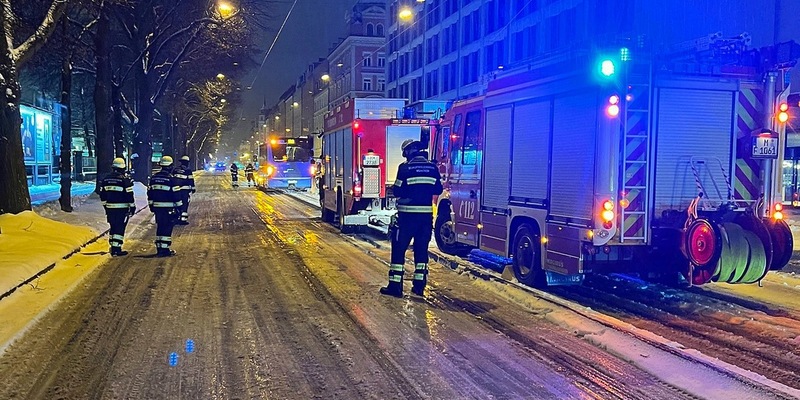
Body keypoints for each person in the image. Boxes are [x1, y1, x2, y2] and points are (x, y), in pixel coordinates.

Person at [381, 140, 443, 298]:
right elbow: (438, 188)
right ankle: (419, 286)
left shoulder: (405, 168)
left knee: (399, 250)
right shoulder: (432, 168)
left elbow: (397, 191)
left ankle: (395, 286)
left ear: (407, 152)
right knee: (421, 250)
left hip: (407, 218)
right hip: (425, 218)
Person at [99, 158, 136, 256]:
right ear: (123, 168)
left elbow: (102, 195)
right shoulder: (125, 180)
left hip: (110, 208)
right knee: (119, 228)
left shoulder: (106, 179)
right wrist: (132, 207)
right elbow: (129, 195)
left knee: (113, 226)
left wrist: (105, 206)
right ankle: (117, 249)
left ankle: (113, 246)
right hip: (122, 209)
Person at [148, 156, 182, 257]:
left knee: (160, 226)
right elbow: (176, 195)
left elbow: (150, 193)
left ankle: (159, 247)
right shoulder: (172, 179)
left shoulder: (154, 178)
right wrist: (179, 207)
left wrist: (151, 205)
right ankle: (165, 249)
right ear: (170, 166)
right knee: (167, 228)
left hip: (158, 208)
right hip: (169, 208)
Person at [173, 155, 196, 225]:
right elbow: (191, 181)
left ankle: (176, 217)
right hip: (184, 192)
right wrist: (193, 189)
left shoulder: (175, 169)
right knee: (184, 205)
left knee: (176, 203)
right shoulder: (188, 171)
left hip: (175, 190)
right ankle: (183, 219)